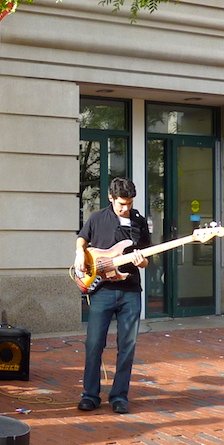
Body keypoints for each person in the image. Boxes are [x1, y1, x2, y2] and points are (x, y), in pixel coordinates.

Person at [74, 177, 151, 415]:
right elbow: (82, 238)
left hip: (130, 292)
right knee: (94, 344)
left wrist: (143, 261)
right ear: (111, 198)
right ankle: (90, 395)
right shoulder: (98, 218)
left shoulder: (139, 222)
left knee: (127, 346)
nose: (125, 208)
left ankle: (119, 396)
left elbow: (147, 257)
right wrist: (79, 254)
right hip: (102, 291)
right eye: (121, 204)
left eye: (128, 203)